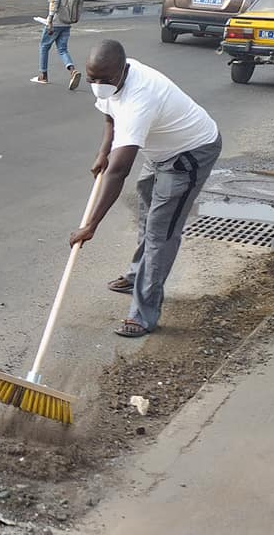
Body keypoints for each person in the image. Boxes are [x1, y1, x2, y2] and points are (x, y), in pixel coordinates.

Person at [69, 40, 222, 338]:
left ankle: (143, 313)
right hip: (159, 150)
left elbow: (119, 171)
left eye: (104, 80)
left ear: (122, 71)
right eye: (92, 79)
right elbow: (110, 115)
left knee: (160, 233)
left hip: (189, 154)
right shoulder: (110, 78)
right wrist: (104, 150)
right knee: (147, 210)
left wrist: (91, 225)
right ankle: (136, 273)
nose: (98, 85)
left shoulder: (140, 98)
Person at [32, 0, 82, 90]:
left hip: (56, 21)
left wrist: (50, 20)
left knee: (44, 46)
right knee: (62, 49)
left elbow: (53, 1)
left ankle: (43, 76)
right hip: (67, 20)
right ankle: (73, 71)